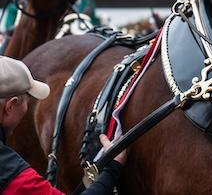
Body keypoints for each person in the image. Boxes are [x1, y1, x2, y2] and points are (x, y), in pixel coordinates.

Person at [0, 56, 125, 194]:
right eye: (28, 99)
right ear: (10, 106)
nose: (27, 107)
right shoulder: (13, 175)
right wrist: (112, 168)